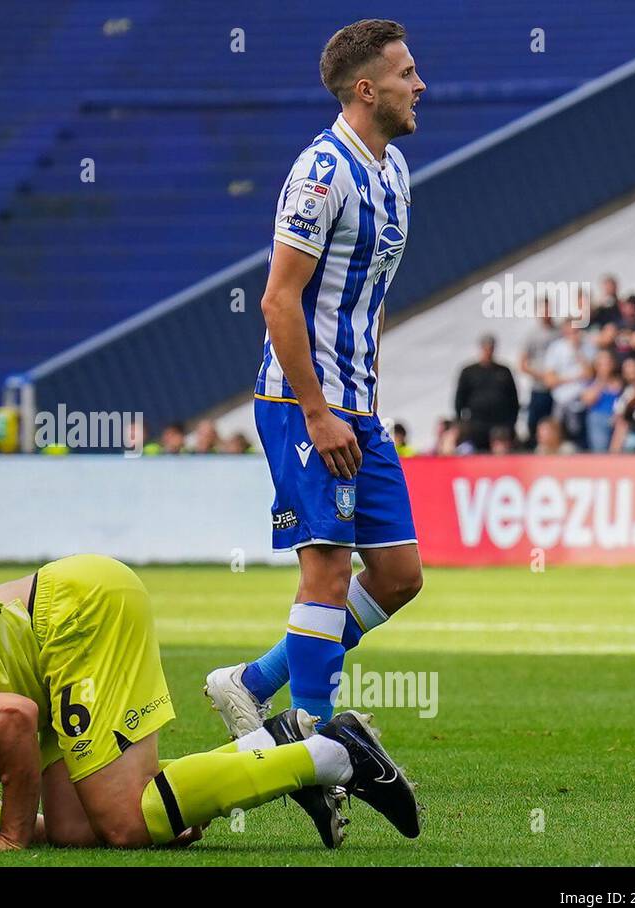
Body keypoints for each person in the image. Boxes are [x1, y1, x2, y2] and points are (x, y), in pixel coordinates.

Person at [0, 555, 419, 850]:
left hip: (69, 617)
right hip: (56, 666)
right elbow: (28, 818)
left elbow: (13, 722)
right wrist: (20, 830)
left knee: (123, 821)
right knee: (85, 831)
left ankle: (331, 754)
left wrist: (6, 836)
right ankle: (270, 745)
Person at [207, 19, 425, 849]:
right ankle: (319, 746)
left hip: (360, 407)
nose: (420, 84)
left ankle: (251, 681)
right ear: (365, 89)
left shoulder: (395, 168)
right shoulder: (319, 173)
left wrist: (353, 405)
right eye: (406, 73)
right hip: (307, 408)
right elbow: (276, 301)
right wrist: (318, 410)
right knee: (328, 575)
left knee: (400, 575)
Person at [453, 333, 519, 451]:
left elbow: (513, 398)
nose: (488, 351)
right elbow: (460, 399)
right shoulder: (469, 372)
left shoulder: (504, 371)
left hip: (500, 423)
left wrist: (511, 422)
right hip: (477, 423)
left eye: (491, 348)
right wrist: (461, 422)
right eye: (486, 348)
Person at [518, 299, 558, 446]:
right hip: (539, 387)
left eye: (548, 310)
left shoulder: (559, 332)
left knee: (555, 423)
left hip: (558, 387)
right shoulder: (532, 335)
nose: (546, 314)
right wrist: (542, 376)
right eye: (543, 310)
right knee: (535, 424)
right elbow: (522, 364)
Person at [578, 349, 623, 452]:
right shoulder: (591, 382)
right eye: (602, 363)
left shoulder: (619, 381)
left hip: (617, 420)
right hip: (598, 418)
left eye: (608, 362)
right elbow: (588, 400)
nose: (605, 366)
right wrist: (602, 380)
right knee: (600, 450)